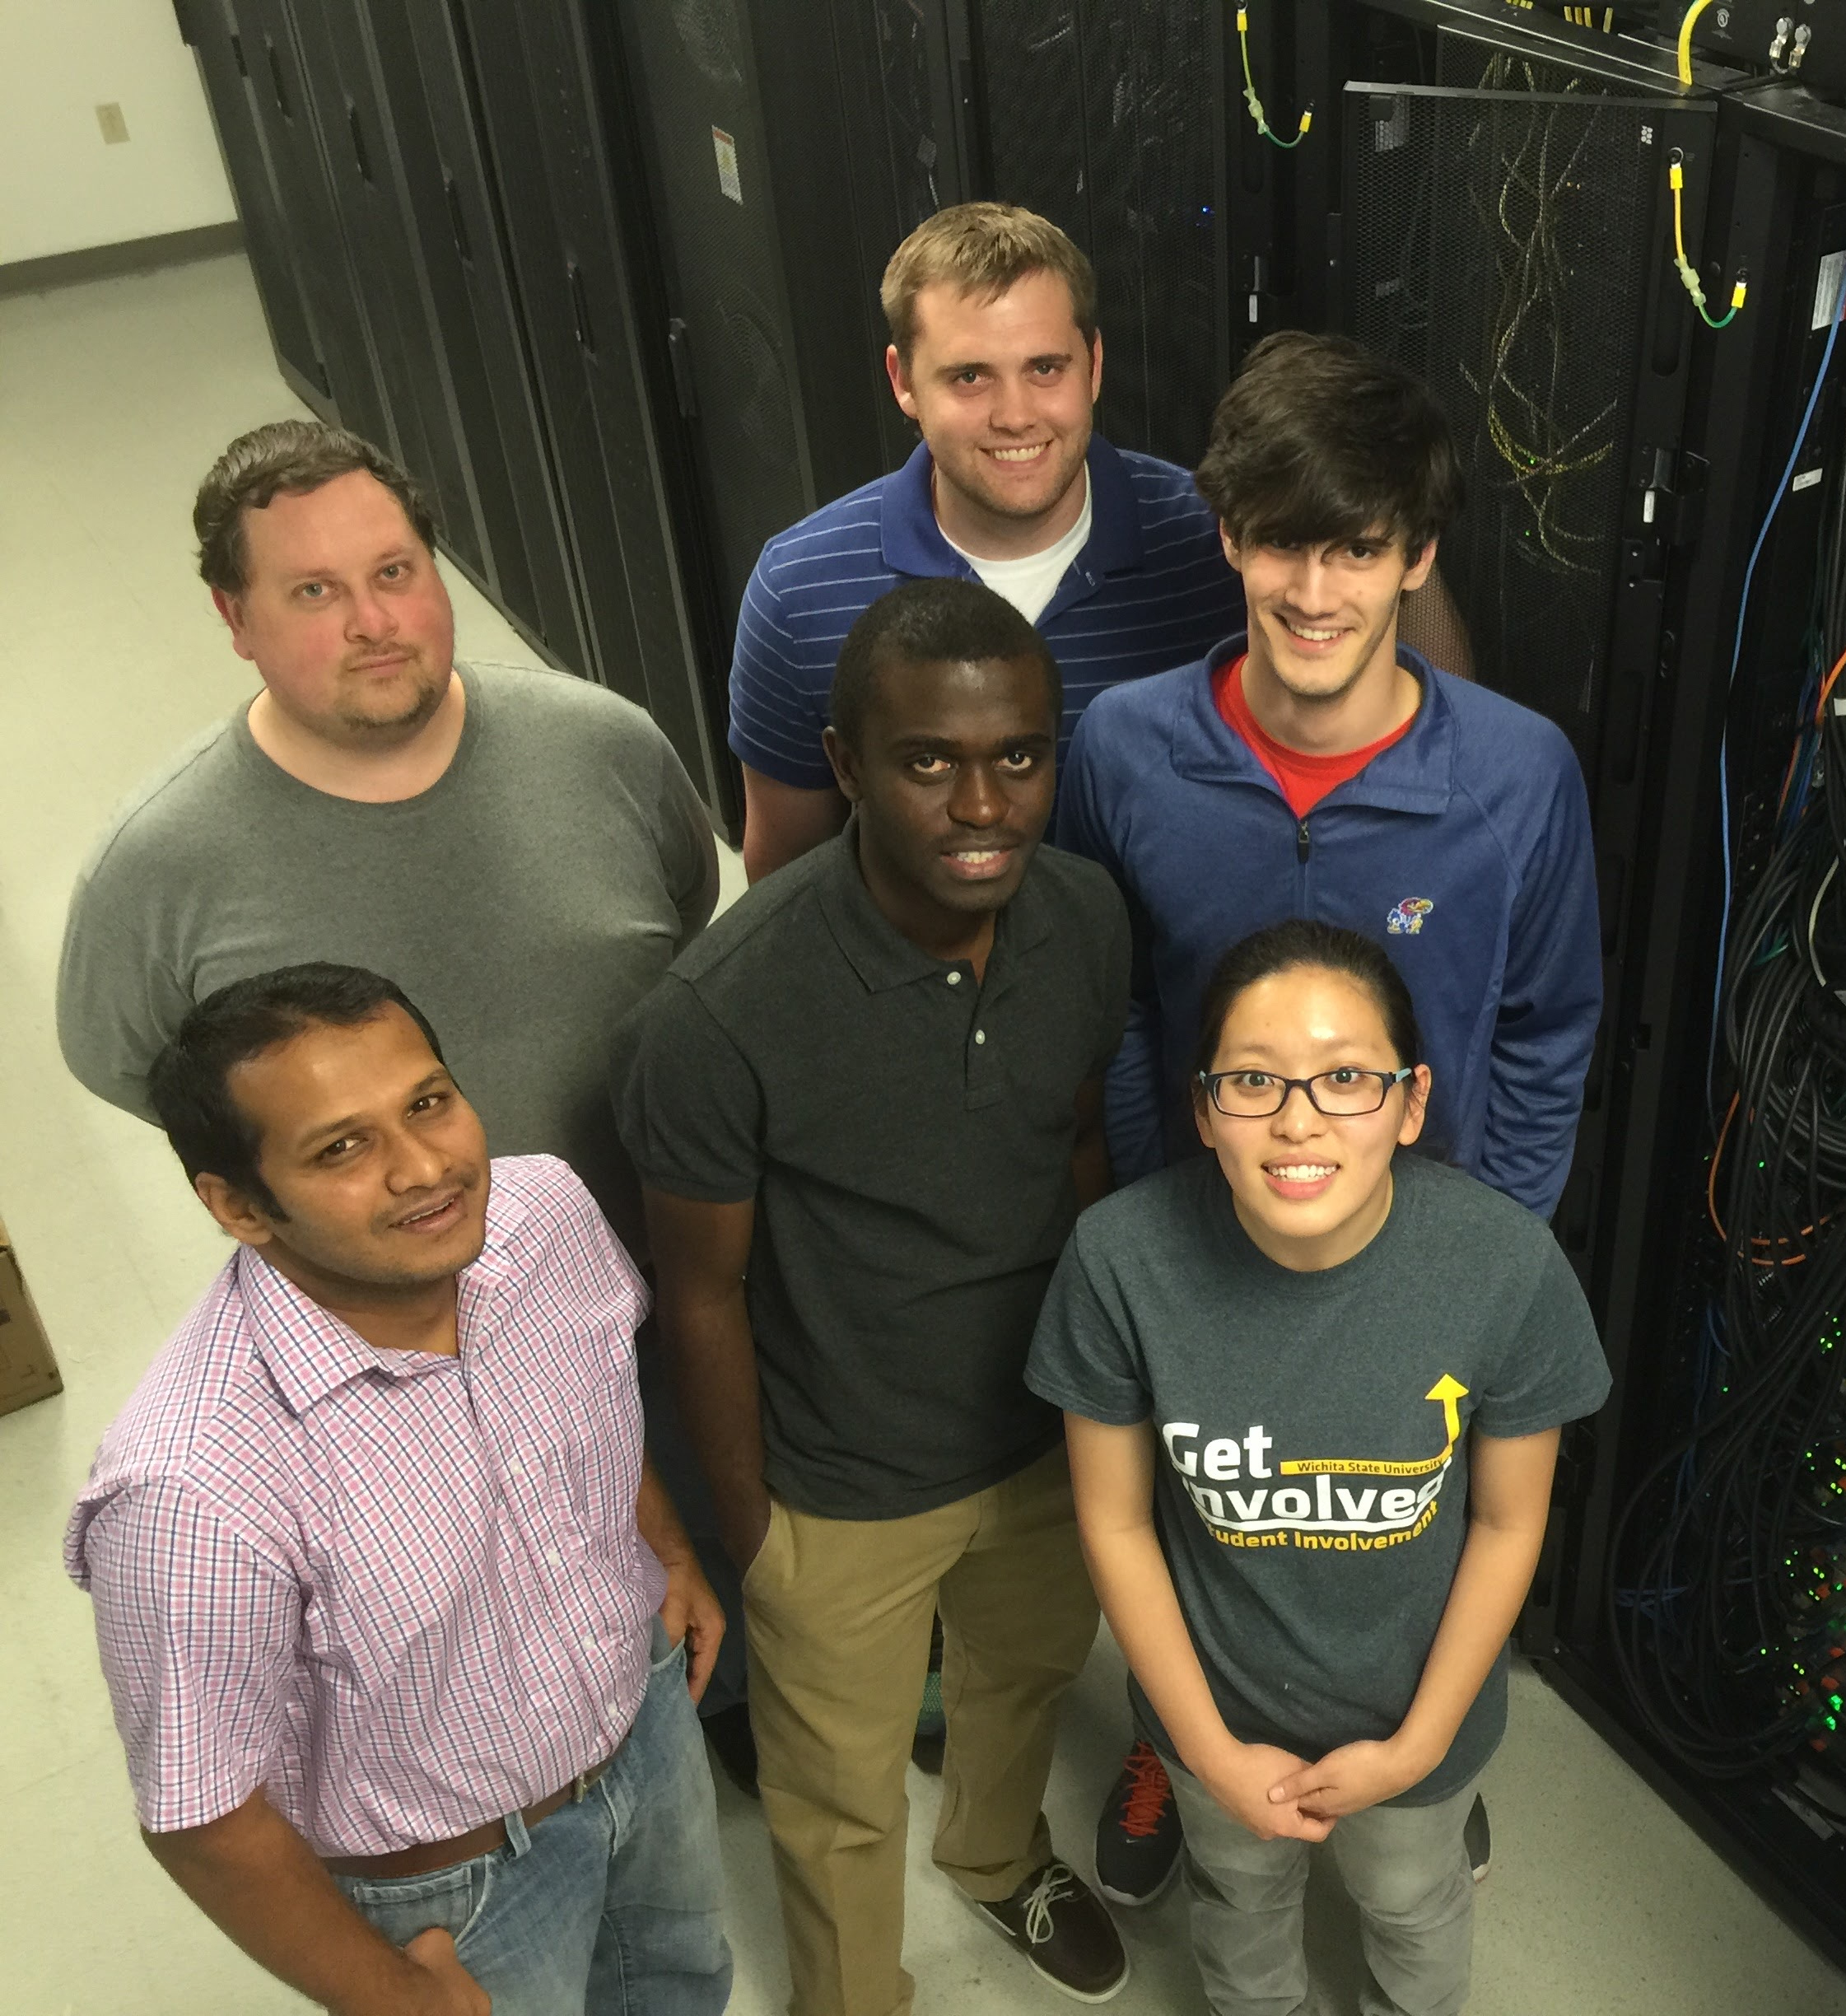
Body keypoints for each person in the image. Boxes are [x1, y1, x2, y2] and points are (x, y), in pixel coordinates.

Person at [49, 418, 758, 1782]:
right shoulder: (159, 873)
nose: (372, 621)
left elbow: (681, 923)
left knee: (699, 1529)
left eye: (394, 570)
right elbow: (139, 1063)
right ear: (234, 617)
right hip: (398, 1356)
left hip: (658, 1290)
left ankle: (715, 1711)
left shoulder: (600, 746)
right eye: (313, 591)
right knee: (480, 1631)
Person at [1055, 329, 1603, 1898]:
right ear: (1225, 533)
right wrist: (1158, 1212)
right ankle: (1182, 1739)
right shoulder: (1126, 750)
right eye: (1282, 542)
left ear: (1413, 556)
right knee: (1199, 1513)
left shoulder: (1515, 774)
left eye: (1356, 549)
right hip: (1198, 1242)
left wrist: (1486, 1244)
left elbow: (1550, 1020)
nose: (1313, 592)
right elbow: (1116, 1003)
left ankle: (1419, 1758)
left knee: (1404, 1531)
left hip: (1423, 1256)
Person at [615, 579, 1130, 2013]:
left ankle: (990, 1853)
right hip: (840, 1487)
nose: (983, 804)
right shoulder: (718, 1017)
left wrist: (1097, 1397)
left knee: (1021, 1680)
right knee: (836, 1796)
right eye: (927, 761)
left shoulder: (1083, 918)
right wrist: (756, 1532)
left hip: (1036, 1438)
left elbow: (1076, 1138)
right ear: (845, 765)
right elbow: (699, 1291)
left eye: (1017, 756)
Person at [65, 964, 731, 2016]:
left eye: (427, 1102)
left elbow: (599, 1392)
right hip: (463, 1889)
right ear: (239, 1206)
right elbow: (202, 1817)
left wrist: (670, 1550)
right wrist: (398, 2000)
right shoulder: (192, 1495)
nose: (426, 1168)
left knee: (687, 1991)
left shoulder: (544, 1211)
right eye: (342, 1148)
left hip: (646, 1735)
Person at [1028, 917, 1610, 2016]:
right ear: (1202, 1108)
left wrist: (1420, 1745)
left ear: (1412, 1101)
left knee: (1409, 1896)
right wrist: (1203, 1749)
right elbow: (1113, 1524)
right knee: (1238, 1900)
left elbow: (1506, 1523)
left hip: (1413, 1722)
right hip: (1217, 1712)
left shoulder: (1503, 1268)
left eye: (1347, 1077)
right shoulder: (1119, 1261)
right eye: (1253, 1080)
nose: (1298, 1121)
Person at [725, 203, 1472, 884]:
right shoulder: (800, 589)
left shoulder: (1220, 534)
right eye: (969, 377)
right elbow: (788, 882)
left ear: (1096, 365)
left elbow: (1435, 710)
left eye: (1045, 368)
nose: (1015, 415)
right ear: (903, 382)